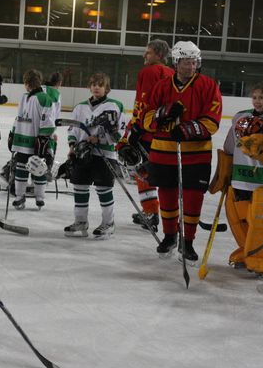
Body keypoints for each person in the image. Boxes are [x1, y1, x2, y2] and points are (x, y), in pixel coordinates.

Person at [141, 41, 223, 263]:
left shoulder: (208, 85)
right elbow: (146, 119)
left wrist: (188, 129)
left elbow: (213, 120)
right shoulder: (161, 86)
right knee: (167, 196)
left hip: (196, 155)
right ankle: (169, 236)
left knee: (192, 198)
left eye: (194, 62)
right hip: (162, 152)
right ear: (176, 62)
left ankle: (187, 242)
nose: (191, 66)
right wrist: (163, 113)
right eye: (186, 62)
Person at [208, 82, 263, 275]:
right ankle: (247, 254)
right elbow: (229, 146)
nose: (257, 101)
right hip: (240, 178)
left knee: (262, 222)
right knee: (241, 221)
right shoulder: (240, 117)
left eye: (262, 98)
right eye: (255, 97)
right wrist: (224, 171)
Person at [119, 39, 174, 233]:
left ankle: (151, 212)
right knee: (160, 175)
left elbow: (144, 104)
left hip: (147, 131)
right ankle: (162, 214)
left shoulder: (149, 72)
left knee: (142, 172)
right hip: (166, 133)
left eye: (148, 52)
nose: (144, 55)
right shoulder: (172, 73)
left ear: (159, 55)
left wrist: (136, 128)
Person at [64, 72, 126, 239]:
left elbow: (121, 130)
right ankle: (81, 221)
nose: (96, 87)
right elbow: (73, 129)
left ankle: (108, 223)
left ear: (107, 88)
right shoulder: (80, 107)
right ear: (89, 87)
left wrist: (100, 138)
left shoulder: (115, 105)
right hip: (82, 153)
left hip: (104, 153)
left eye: (100, 85)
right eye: (93, 84)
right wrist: (72, 146)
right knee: (80, 187)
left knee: (103, 188)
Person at [9, 69, 56, 210]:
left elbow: (48, 121)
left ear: (26, 83)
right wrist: (13, 132)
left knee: (32, 168)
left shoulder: (43, 98)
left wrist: (43, 138)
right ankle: (29, 197)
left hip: (34, 142)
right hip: (26, 140)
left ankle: (28, 197)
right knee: (32, 168)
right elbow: (19, 117)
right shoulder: (26, 97)